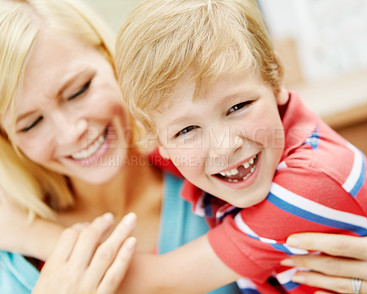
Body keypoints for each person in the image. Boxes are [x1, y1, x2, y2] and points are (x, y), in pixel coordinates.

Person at [115, 0, 367, 292]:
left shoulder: (310, 182)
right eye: (187, 129)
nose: (224, 147)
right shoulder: (267, 143)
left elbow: (157, 283)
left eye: (238, 106)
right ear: (162, 142)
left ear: (275, 79)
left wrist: (59, 245)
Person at [0, 0, 240, 293]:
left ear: (112, 59)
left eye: (79, 90)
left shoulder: (223, 183)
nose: (71, 133)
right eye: (31, 124)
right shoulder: (10, 256)